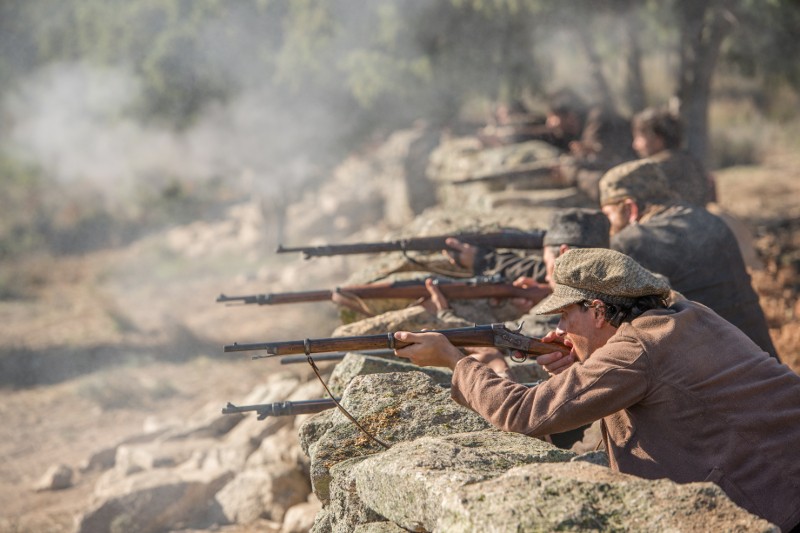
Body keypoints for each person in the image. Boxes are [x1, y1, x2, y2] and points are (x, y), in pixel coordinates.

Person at [393, 248, 800, 531]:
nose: (560, 329)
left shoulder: (635, 349)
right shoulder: (683, 312)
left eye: (567, 314)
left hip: (778, 502)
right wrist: (583, 363)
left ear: (599, 310)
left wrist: (455, 360)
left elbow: (523, 414)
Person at [598, 158, 780, 360]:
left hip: (713, 374)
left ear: (630, 208)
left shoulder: (633, 241)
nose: (609, 225)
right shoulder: (711, 220)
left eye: (608, 215)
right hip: (766, 366)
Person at [630, 104, 715, 206]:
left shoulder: (650, 170)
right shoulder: (695, 164)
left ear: (658, 139)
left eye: (639, 138)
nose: (635, 145)